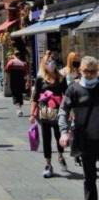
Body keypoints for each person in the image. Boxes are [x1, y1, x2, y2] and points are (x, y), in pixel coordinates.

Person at [59, 56, 99, 200]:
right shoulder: (73, 90)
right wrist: (63, 132)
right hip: (86, 140)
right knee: (90, 179)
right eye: (86, 71)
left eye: (93, 71)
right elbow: (63, 111)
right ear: (80, 70)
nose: (89, 74)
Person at [30, 50, 67, 178]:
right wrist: (32, 114)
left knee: (59, 136)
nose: (50, 64)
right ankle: (48, 164)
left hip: (58, 112)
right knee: (46, 139)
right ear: (44, 64)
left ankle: (60, 155)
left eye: (52, 61)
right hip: (44, 113)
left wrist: (70, 111)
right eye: (48, 62)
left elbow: (67, 96)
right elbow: (35, 98)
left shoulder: (61, 78)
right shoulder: (40, 80)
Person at [4, 49, 28, 116]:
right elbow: (26, 74)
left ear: (14, 55)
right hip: (21, 82)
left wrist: (6, 80)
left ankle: (18, 110)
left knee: (15, 95)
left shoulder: (11, 62)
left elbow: (7, 72)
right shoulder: (23, 63)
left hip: (14, 81)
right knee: (20, 95)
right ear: (19, 55)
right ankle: (20, 109)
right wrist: (27, 82)